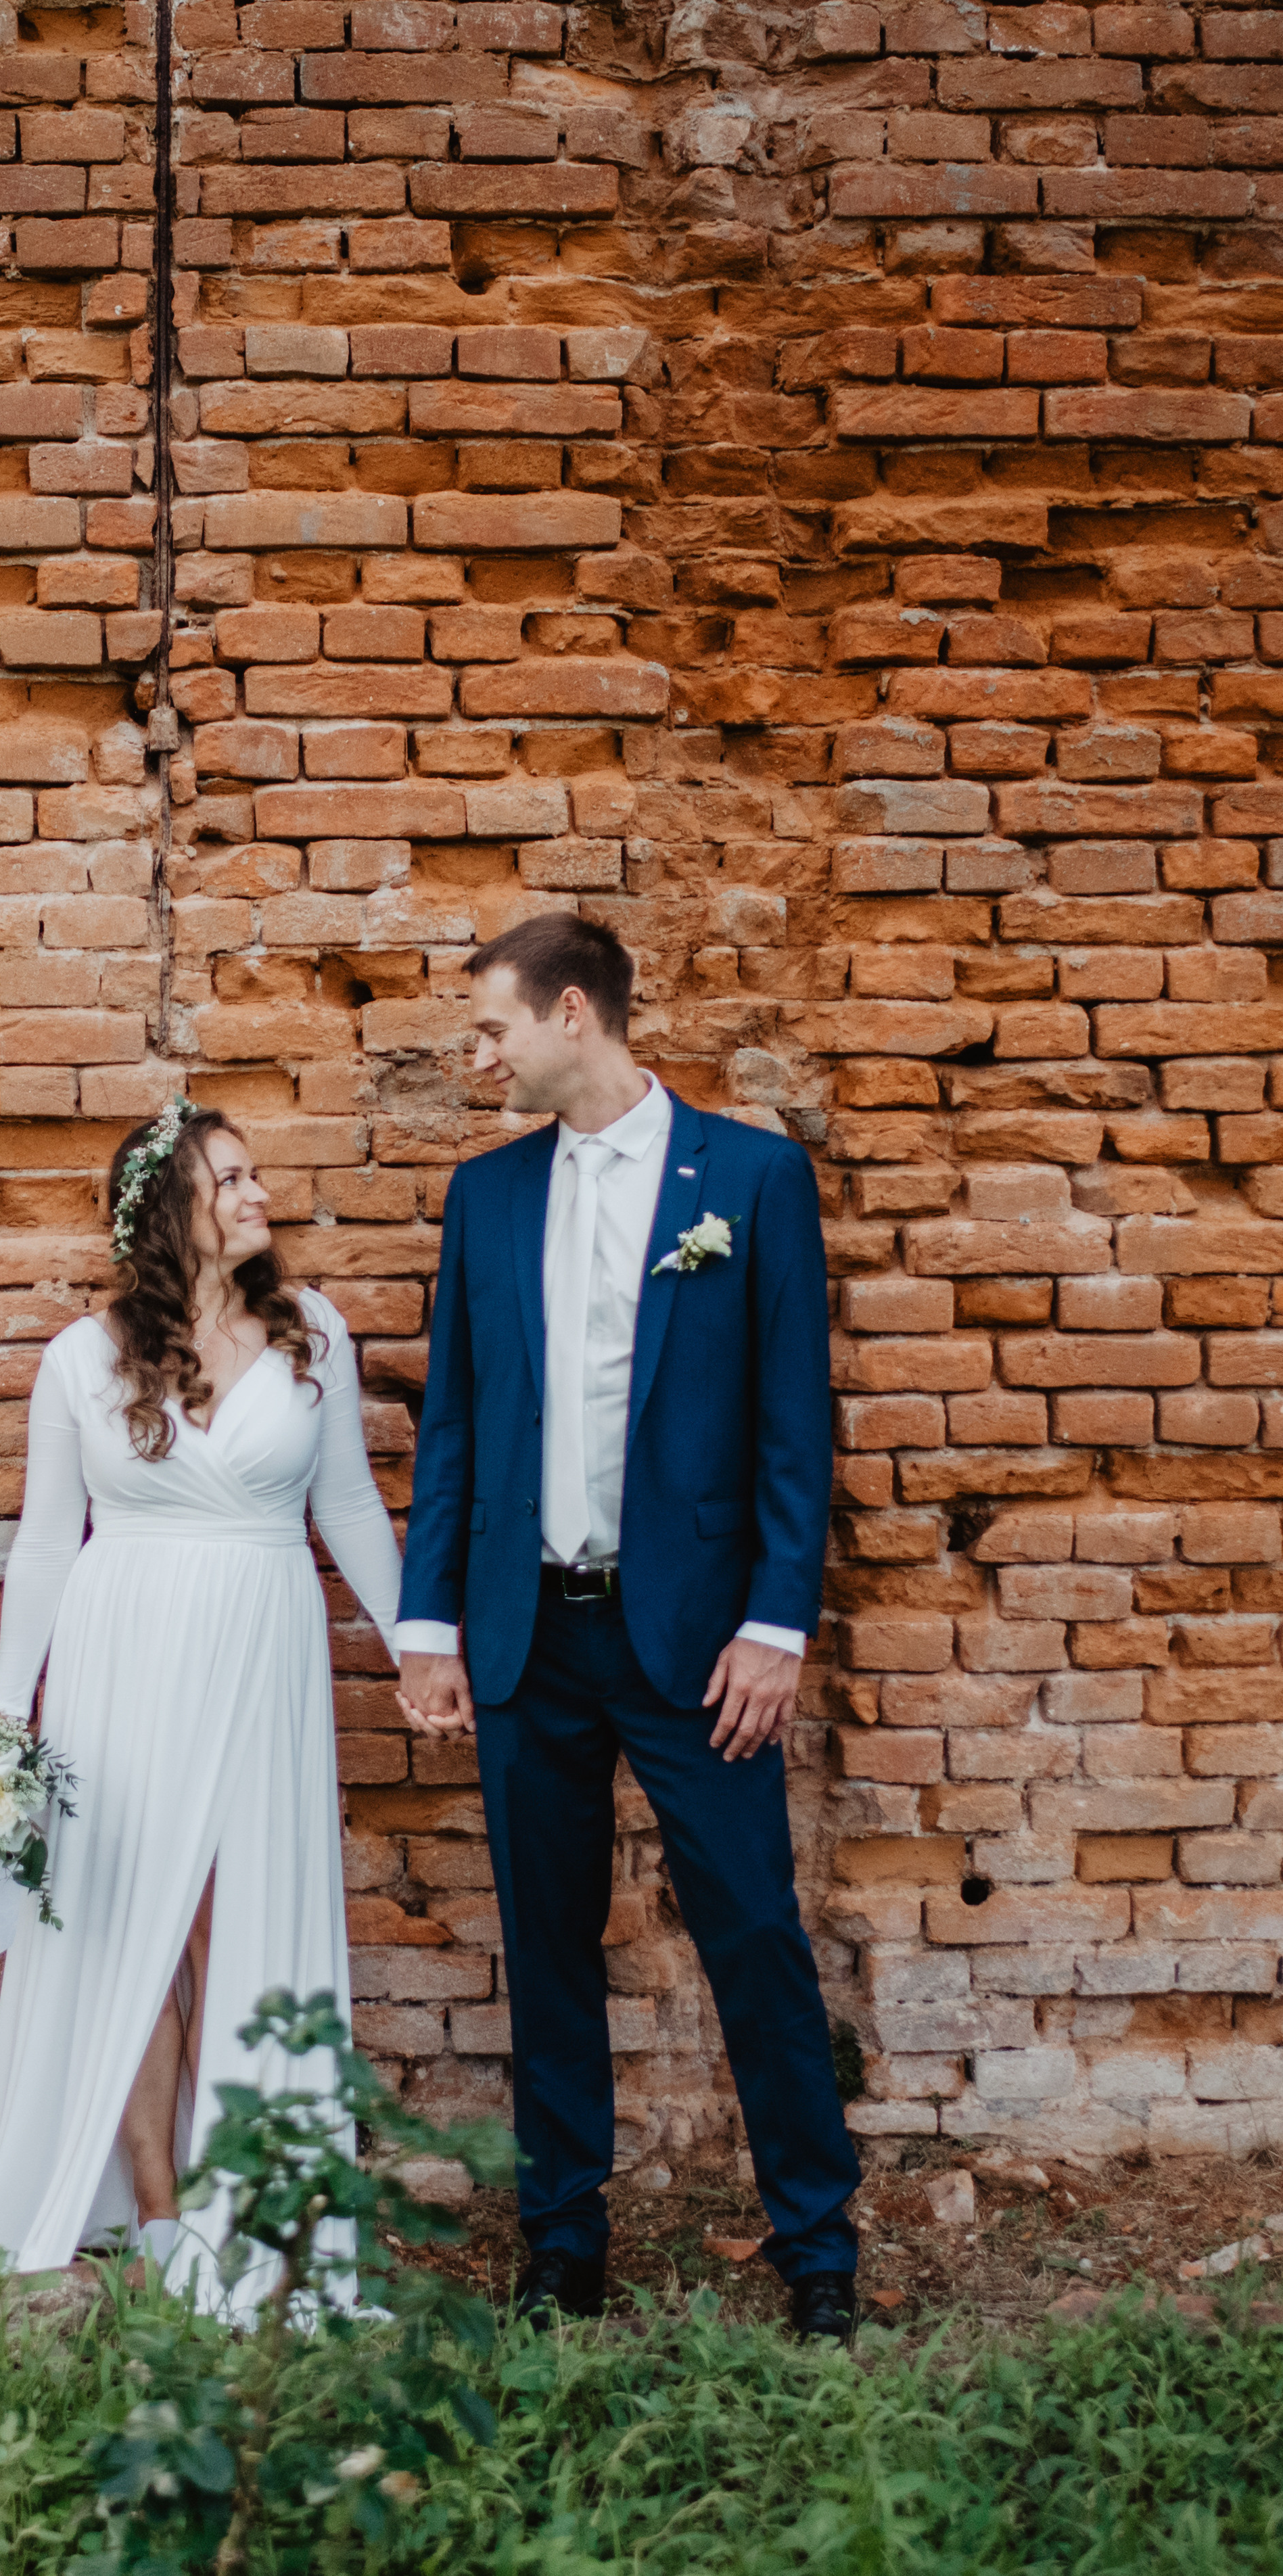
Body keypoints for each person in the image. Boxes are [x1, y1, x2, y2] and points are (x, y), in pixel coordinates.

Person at [394, 916, 862, 2343]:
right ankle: (563, 2248)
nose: (479, 1059)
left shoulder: (754, 1180)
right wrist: (430, 1622)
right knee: (544, 1947)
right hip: (529, 1634)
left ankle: (819, 2251)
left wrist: (778, 1623)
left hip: (696, 1642)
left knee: (756, 1938)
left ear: (575, 1013)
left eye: (494, 1031)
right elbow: (457, 1423)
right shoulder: (485, 1198)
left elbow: (795, 1420)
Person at [0, 1102, 402, 2316]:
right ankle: (158, 2207)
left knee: (236, 1923)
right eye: (233, 1178)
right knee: (130, 1933)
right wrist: (8, 1722)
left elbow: (354, 1511)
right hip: (121, 1657)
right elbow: (50, 1546)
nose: (260, 1193)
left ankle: (239, 2201)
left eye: (255, 1172)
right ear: (169, 1212)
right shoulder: (82, 1356)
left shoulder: (312, 1331)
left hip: (262, 1645)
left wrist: (420, 1643)